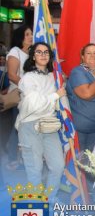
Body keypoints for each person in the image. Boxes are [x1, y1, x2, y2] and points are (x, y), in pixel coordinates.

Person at [14, 42, 65, 202]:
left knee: (58, 165)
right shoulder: (27, 78)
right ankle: (36, 202)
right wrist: (55, 96)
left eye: (46, 52)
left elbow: (58, 102)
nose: (43, 55)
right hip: (30, 125)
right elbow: (33, 105)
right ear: (33, 56)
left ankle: (50, 197)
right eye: (39, 52)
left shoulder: (53, 76)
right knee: (34, 168)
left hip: (49, 124)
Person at [65, 43, 95, 153]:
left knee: (92, 162)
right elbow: (87, 94)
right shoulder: (78, 72)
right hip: (81, 128)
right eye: (88, 53)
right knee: (79, 161)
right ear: (82, 56)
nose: (92, 56)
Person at [5, 25, 33, 170]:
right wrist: (27, 87)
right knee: (18, 128)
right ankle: (11, 158)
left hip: (31, 97)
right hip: (19, 96)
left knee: (27, 129)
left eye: (31, 34)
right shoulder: (15, 52)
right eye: (27, 34)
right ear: (20, 36)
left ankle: (23, 158)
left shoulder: (33, 53)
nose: (30, 36)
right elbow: (12, 75)